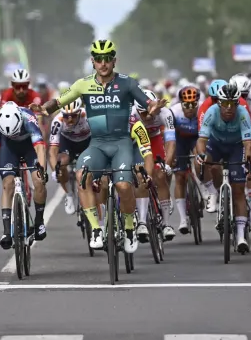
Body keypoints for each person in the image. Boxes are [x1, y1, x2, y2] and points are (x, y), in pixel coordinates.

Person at [30, 39, 165, 252]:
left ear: (114, 61)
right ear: (93, 61)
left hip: (121, 143)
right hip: (98, 144)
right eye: (99, 59)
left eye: (108, 59)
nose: (103, 63)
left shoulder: (127, 83)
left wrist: (155, 107)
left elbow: (147, 103)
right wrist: (44, 109)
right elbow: (60, 101)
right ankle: (96, 229)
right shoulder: (84, 84)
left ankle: (130, 228)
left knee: (123, 186)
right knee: (81, 175)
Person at [196, 83, 251, 252]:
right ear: (219, 103)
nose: (229, 108)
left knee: (238, 190)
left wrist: (249, 163)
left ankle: (241, 236)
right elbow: (201, 141)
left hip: (237, 147)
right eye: (225, 104)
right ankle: (213, 194)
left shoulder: (243, 114)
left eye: (233, 104)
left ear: (238, 103)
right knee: (209, 165)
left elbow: (248, 144)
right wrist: (201, 155)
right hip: (216, 144)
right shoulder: (211, 112)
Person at [0, 101, 49, 249]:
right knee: (7, 184)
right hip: (9, 149)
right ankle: (7, 231)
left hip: (29, 148)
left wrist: (42, 170)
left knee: (39, 181)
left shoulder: (28, 119)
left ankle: (39, 222)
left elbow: (39, 148)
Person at [132, 89, 177, 243]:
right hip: (136, 141)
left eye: (150, 112)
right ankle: (142, 221)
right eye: (142, 113)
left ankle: (166, 224)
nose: (147, 117)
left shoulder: (165, 113)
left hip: (155, 139)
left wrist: (168, 165)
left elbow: (170, 141)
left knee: (160, 175)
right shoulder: (130, 113)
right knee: (140, 175)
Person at [229, 74, 251, 230]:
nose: (242, 98)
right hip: (229, 132)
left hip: (246, 130)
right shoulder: (225, 96)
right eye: (239, 94)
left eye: (244, 94)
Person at [48, 98, 91, 214]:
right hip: (67, 143)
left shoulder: (87, 116)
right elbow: (52, 150)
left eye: (73, 115)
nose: (70, 119)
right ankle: (69, 194)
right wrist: (54, 171)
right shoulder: (58, 121)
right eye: (66, 116)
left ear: (79, 112)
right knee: (60, 163)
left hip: (87, 142)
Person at [170, 85, 200, 234]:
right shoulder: (173, 112)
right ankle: (183, 219)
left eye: (193, 104)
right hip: (179, 140)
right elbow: (168, 137)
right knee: (180, 177)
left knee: (201, 159)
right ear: (180, 104)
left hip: (196, 138)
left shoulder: (203, 111)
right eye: (186, 105)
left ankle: (207, 191)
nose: (190, 108)